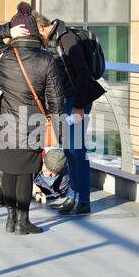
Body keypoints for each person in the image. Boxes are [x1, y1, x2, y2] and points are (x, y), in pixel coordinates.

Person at [0, 2, 64, 235]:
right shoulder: (46, 59)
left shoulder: (3, 55)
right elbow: (56, 101)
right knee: (25, 174)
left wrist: (8, 29)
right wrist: (57, 136)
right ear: (34, 32)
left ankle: (10, 220)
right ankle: (23, 221)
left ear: (17, 32)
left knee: (9, 171)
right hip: (33, 125)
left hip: (5, 125)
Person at [32, 11, 106, 215]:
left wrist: (79, 105)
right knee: (67, 150)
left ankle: (83, 201)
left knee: (76, 151)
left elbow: (82, 73)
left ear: (40, 27)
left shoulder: (66, 38)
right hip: (65, 101)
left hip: (75, 101)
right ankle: (72, 196)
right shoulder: (51, 41)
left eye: (33, 33)